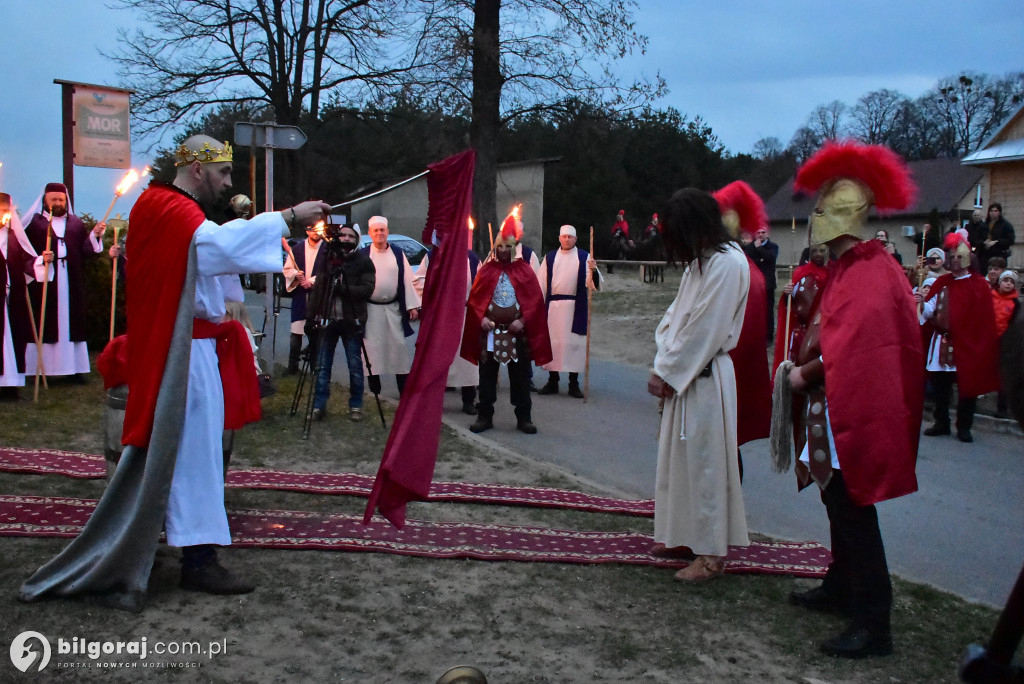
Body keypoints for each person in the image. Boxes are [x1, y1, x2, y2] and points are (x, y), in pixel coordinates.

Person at [20, 135, 330, 610]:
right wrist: (287, 218)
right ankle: (198, 561)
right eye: (224, 173)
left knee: (191, 451)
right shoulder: (170, 209)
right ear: (199, 169)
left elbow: (216, 252)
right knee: (194, 454)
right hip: (184, 351)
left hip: (187, 347)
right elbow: (215, 249)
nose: (228, 183)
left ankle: (188, 548)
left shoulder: (169, 208)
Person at [783, 141, 923, 658]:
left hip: (853, 411)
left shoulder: (869, 269)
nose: (814, 217)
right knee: (836, 502)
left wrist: (807, 374)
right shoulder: (849, 265)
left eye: (821, 210)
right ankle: (841, 585)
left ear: (839, 217)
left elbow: (859, 348)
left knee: (854, 509)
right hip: (831, 405)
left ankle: (873, 621)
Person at [647, 187, 750, 582]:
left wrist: (667, 372)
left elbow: (705, 330)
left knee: (705, 465)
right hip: (685, 376)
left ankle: (710, 556)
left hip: (704, 379)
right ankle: (682, 534)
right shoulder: (699, 263)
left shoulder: (727, 263)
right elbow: (674, 319)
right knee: (679, 463)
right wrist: (665, 361)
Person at [461, 213, 551, 434]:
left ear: (514, 247)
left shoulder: (524, 270)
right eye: (499, 246)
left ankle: (524, 417)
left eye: (506, 246)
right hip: (491, 333)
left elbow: (535, 303)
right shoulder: (487, 270)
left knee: (520, 377)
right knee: (487, 377)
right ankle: (485, 416)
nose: (502, 250)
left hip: (515, 333)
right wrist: (481, 319)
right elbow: (474, 301)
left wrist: (522, 321)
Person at [712, 180, 772, 480]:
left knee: (721, 441)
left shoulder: (727, 265)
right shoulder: (745, 265)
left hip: (724, 365)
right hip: (734, 363)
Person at [918, 232, 1001, 442]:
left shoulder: (979, 284)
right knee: (940, 388)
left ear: (966, 257)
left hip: (968, 344)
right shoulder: (942, 282)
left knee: (967, 389)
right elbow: (928, 312)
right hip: (941, 342)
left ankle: (964, 426)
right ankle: (941, 423)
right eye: (951, 256)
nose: (954, 260)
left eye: (958, 256)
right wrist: (920, 301)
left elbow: (984, 319)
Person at [23, 182, 105, 380]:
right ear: (44, 200)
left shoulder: (76, 224)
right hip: (45, 283)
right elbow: (23, 252)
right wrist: (40, 260)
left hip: (71, 282)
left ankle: (73, 370)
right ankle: (39, 370)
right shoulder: (33, 224)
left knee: (72, 322)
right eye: (53, 199)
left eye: (61, 199)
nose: (58, 203)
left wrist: (94, 235)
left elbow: (86, 250)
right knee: (45, 319)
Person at [306, 224, 376, 422]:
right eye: (342, 235)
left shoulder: (363, 260)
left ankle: (356, 405)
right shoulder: (328, 259)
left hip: (351, 320)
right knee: (321, 366)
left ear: (356, 239)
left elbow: (367, 290)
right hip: (327, 318)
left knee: (355, 365)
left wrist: (342, 288)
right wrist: (310, 317)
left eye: (350, 236)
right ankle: (319, 406)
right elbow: (319, 288)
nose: (345, 238)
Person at [413, 232, 481, 415]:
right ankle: (435, 401)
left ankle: (469, 400)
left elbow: (482, 284)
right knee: (439, 358)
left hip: (466, 313)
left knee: (467, 361)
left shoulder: (472, 258)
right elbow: (419, 281)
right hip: (441, 315)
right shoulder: (432, 257)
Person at [536, 225, 600, 398]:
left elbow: (592, 283)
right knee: (553, 344)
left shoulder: (584, 257)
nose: (567, 239)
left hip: (574, 307)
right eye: (564, 236)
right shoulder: (549, 258)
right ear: (559, 238)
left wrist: (593, 271)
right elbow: (540, 284)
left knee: (574, 345)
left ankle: (574, 383)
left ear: (575, 239)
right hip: (554, 309)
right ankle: (553, 380)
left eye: (570, 237)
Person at [360, 216, 421, 396]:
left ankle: (404, 392)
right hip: (371, 310)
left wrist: (412, 306)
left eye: (382, 230)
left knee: (398, 349)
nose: (379, 233)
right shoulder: (364, 255)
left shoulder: (397, 252)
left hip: (393, 309)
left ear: (387, 231)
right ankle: (375, 391)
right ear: (370, 233)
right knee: (372, 350)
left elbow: (408, 279)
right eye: (376, 230)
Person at [1, 194, 40, 400]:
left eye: (4, 211)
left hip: (11, 296)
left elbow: (27, 260)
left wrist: (40, 262)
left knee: (13, 338)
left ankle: (10, 385)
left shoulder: (14, 237)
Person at [774, 243, 829, 371]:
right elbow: (790, 304)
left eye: (822, 250)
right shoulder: (801, 272)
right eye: (815, 251)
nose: (818, 254)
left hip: (823, 329)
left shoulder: (833, 273)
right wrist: (788, 294)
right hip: (802, 330)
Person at [282, 222, 326, 374]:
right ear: (307, 231)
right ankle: (292, 366)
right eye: (312, 230)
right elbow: (287, 269)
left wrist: (312, 281)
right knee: (296, 333)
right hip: (301, 296)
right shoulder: (297, 249)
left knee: (316, 333)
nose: (315, 233)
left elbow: (328, 272)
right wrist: (296, 275)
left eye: (318, 230)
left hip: (318, 296)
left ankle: (316, 366)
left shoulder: (327, 250)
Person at [992, 270, 1020, 418]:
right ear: (1000, 282)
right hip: (988, 339)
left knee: (1002, 377)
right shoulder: (990, 298)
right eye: (1006, 280)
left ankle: (1001, 408)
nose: (1008, 283)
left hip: (1004, 342)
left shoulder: (1015, 303)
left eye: (1011, 282)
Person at [743, 225, 778, 342]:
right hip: (753, 285)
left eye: (763, 232)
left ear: (767, 234)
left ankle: (768, 337)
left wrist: (760, 250)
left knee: (768, 311)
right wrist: (761, 260)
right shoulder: (749, 247)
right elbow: (748, 260)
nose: (760, 234)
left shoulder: (773, 247)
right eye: (758, 232)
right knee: (753, 311)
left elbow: (771, 258)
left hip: (768, 285)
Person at [975, 202, 1015, 269]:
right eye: (991, 211)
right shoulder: (983, 225)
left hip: (999, 256)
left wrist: (996, 242)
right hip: (984, 256)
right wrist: (984, 242)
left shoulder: (1006, 225)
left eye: (995, 211)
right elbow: (976, 240)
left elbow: (1010, 240)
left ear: (999, 212)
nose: (993, 213)